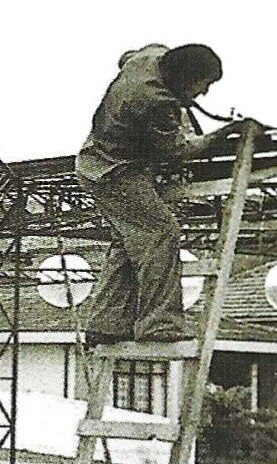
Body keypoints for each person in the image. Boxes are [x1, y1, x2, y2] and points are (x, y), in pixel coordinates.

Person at [76, 43, 241, 345]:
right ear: (181, 76)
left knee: (130, 245)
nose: (203, 93)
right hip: (114, 172)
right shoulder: (154, 101)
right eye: (201, 84)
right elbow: (177, 152)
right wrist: (223, 133)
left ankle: (107, 323)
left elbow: (124, 56)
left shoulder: (150, 57)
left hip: (96, 164)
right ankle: (158, 323)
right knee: (161, 233)